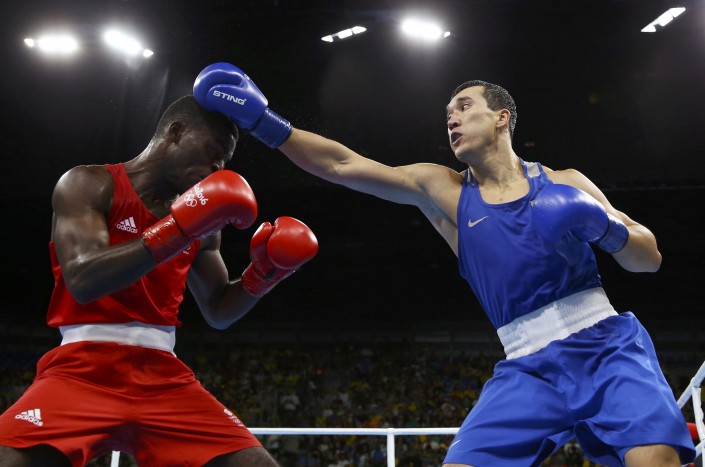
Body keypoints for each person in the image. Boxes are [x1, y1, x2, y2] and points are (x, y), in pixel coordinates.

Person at [191, 62, 696, 467]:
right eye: (447, 113)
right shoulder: (445, 191)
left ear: (501, 117)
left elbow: (648, 259)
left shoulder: (567, 182)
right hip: (527, 366)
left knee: (656, 458)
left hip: (606, 346)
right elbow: (343, 165)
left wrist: (605, 227)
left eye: (464, 107)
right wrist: (264, 122)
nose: (451, 118)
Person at [0, 95, 319, 466]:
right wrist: (180, 228)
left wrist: (264, 275)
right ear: (176, 132)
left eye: (224, 161)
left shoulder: (203, 224)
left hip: (164, 377)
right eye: (213, 151)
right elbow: (83, 279)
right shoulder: (89, 183)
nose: (217, 166)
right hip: (81, 370)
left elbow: (218, 310)